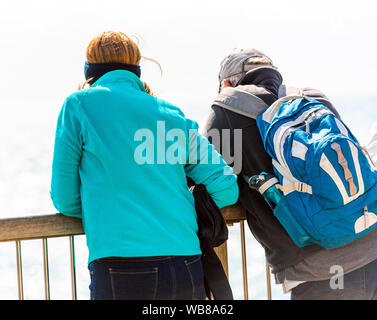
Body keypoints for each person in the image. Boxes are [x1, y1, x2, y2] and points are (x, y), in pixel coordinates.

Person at [50, 31, 239, 300]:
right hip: (186, 261)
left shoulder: (79, 105)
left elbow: (64, 199)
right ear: (137, 69)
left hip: (122, 265)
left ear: (89, 70)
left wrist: (106, 212)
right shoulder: (171, 113)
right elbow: (226, 188)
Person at [203, 48, 377, 300]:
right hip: (370, 241)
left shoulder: (226, 112)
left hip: (316, 269)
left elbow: (209, 182)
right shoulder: (314, 99)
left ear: (227, 83)